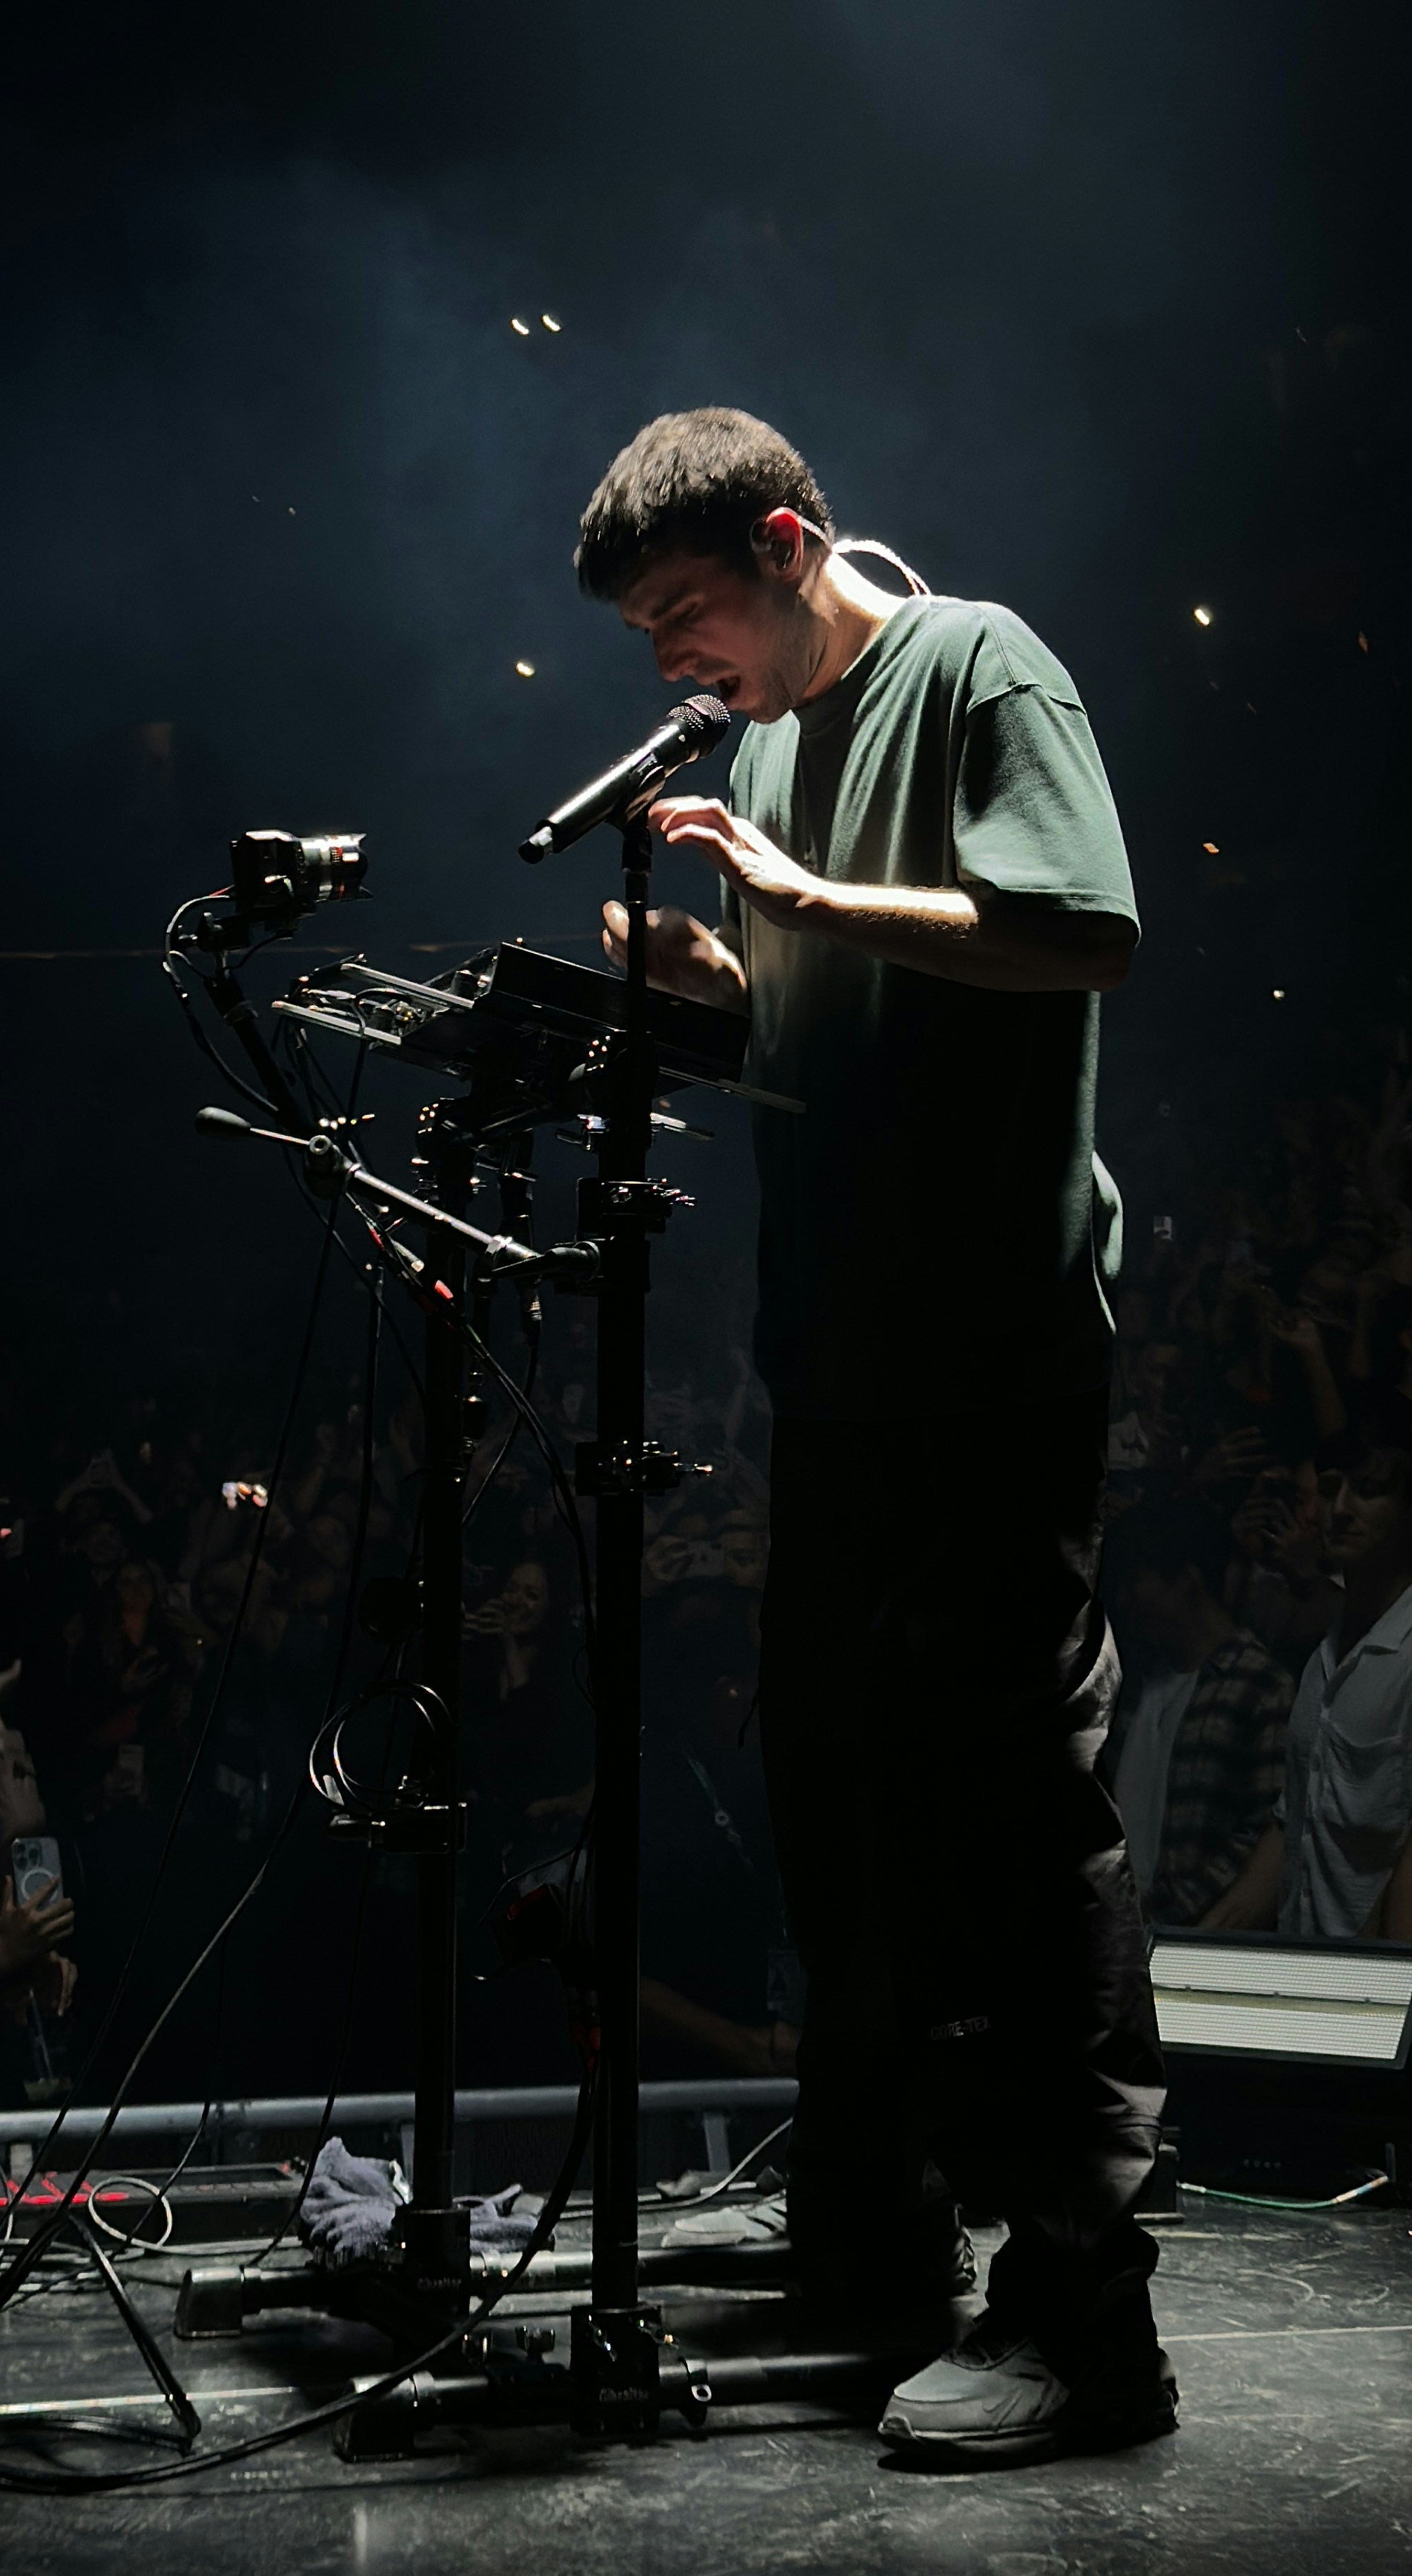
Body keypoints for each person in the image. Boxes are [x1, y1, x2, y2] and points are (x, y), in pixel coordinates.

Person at [572, 406, 1171, 2462]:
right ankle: (872, 2234)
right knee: (838, 1794)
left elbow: (1075, 931)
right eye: (644, 632)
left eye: (686, 613)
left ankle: (1086, 2317)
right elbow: (803, 996)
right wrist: (699, 978)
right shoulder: (751, 748)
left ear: (787, 539)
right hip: (832, 1358)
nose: (671, 661)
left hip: (993, 1350)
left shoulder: (981, 667)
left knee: (1019, 1812)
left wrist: (798, 893)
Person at [1204, 1442, 1412, 1940]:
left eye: (1367, 1492)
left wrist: (1357, 1986)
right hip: (1311, 1977)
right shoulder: (1325, 1653)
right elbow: (1295, 1820)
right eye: (1332, 1489)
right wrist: (1202, 1939)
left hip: (1374, 1991)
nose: (1339, 1510)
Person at [1105, 1501, 1291, 1924]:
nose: (1126, 1600)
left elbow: (1266, 1826)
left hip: (1195, 1933)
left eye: (1137, 1582)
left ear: (1188, 1580)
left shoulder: (1257, 1682)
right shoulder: (1134, 1685)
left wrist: (1182, 1908)